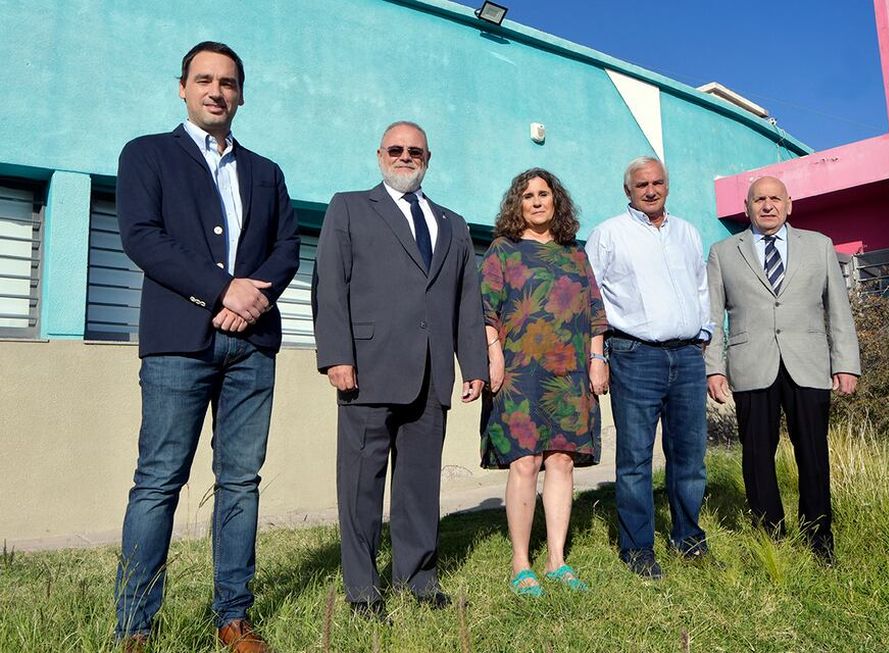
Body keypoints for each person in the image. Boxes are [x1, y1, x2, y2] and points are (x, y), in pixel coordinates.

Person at [114, 42, 300, 653]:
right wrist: (223, 289)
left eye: (227, 82)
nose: (216, 91)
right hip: (178, 345)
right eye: (203, 80)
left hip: (253, 349)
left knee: (240, 481)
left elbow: (287, 249)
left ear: (241, 93)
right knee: (159, 480)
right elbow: (143, 238)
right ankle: (137, 626)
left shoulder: (266, 172)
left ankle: (234, 618)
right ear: (183, 88)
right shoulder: (147, 155)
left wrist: (252, 301)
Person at [312, 121, 488, 618]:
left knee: (419, 485)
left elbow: (465, 299)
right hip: (367, 369)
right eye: (396, 149)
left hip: (431, 374)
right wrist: (337, 355)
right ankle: (364, 591)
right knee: (361, 487)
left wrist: (472, 362)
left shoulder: (452, 223)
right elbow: (330, 285)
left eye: (415, 151)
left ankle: (417, 578)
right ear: (379, 155)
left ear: (428, 158)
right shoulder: (348, 207)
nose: (405, 156)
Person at [705, 175, 860, 563]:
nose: (768, 205)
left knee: (813, 450)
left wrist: (845, 362)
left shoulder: (819, 246)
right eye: (760, 199)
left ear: (789, 205)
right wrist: (714, 367)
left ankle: (818, 535)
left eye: (776, 198)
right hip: (751, 363)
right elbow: (711, 316)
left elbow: (838, 309)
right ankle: (768, 534)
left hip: (807, 362)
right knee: (757, 454)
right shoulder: (723, 252)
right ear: (747, 207)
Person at [479, 168, 608, 596]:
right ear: (517, 204)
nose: (536, 201)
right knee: (524, 462)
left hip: (570, 371)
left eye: (543, 194)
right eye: (527, 195)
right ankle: (520, 563)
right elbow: (485, 311)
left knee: (562, 461)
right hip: (519, 373)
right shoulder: (503, 251)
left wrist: (596, 359)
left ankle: (557, 560)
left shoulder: (576, 254)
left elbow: (594, 312)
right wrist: (494, 355)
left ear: (557, 201)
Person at [585, 156, 713, 579]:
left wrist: (705, 335)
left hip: (688, 357)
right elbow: (592, 302)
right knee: (636, 460)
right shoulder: (607, 235)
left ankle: (689, 539)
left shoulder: (688, 233)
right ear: (628, 191)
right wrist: (597, 356)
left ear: (667, 186)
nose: (651, 190)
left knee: (690, 457)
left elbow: (700, 287)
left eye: (658, 182)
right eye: (642, 185)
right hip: (634, 357)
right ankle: (638, 549)